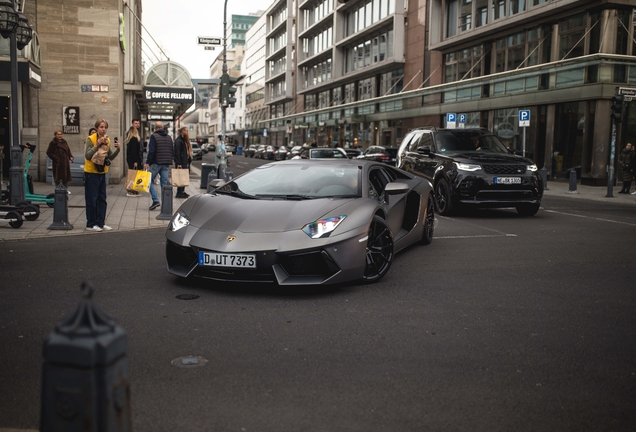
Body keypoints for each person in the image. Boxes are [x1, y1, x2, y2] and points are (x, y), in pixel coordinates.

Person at [83, 119, 120, 232]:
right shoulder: (91, 139)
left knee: (102, 199)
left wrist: (118, 150)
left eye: (105, 127)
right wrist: (97, 144)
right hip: (91, 173)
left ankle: (101, 222)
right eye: (101, 127)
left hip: (102, 172)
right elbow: (88, 155)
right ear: (97, 128)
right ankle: (91, 223)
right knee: (92, 200)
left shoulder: (107, 140)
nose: (103, 129)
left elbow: (109, 157)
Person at [144, 121, 174, 210]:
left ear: (155, 128)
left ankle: (156, 200)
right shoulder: (169, 137)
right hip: (166, 163)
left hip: (155, 163)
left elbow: (151, 151)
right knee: (164, 184)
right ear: (163, 128)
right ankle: (165, 203)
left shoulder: (154, 136)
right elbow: (172, 150)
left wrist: (147, 162)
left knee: (149, 181)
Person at [174, 127, 192, 198]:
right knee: (180, 177)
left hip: (185, 161)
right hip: (181, 162)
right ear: (182, 131)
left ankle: (182, 191)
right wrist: (179, 163)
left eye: (187, 131)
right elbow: (177, 152)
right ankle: (179, 192)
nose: (187, 132)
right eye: (185, 131)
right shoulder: (179, 141)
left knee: (184, 177)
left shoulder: (184, 140)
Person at [125, 124, 143, 197]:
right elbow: (134, 151)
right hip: (134, 160)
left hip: (130, 159)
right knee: (133, 176)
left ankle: (132, 189)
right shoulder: (134, 139)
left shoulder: (130, 139)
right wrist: (135, 161)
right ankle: (131, 190)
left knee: (132, 175)